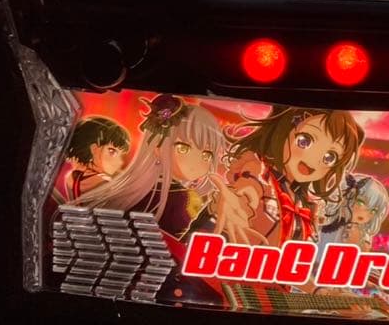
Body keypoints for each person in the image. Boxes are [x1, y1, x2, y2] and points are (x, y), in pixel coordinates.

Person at [76, 94, 256, 245]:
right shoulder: (178, 197)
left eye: (207, 155)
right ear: (157, 147)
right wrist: (210, 217)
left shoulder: (127, 190)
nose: (196, 162)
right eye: (183, 148)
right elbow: (179, 252)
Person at [224, 106, 365, 245]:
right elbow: (248, 188)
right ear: (283, 131)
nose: (313, 160)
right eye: (305, 141)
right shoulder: (259, 171)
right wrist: (239, 202)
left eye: (329, 157)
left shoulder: (305, 202)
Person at [318, 172, 389, 253]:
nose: (366, 213)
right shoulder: (327, 217)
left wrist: (356, 242)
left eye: (374, 211)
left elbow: (363, 252)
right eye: (360, 203)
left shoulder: (362, 232)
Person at [63, 116, 130, 200]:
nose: (120, 162)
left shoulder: (70, 178)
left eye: (121, 155)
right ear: (93, 149)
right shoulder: (105, 182)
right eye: (112, 151)